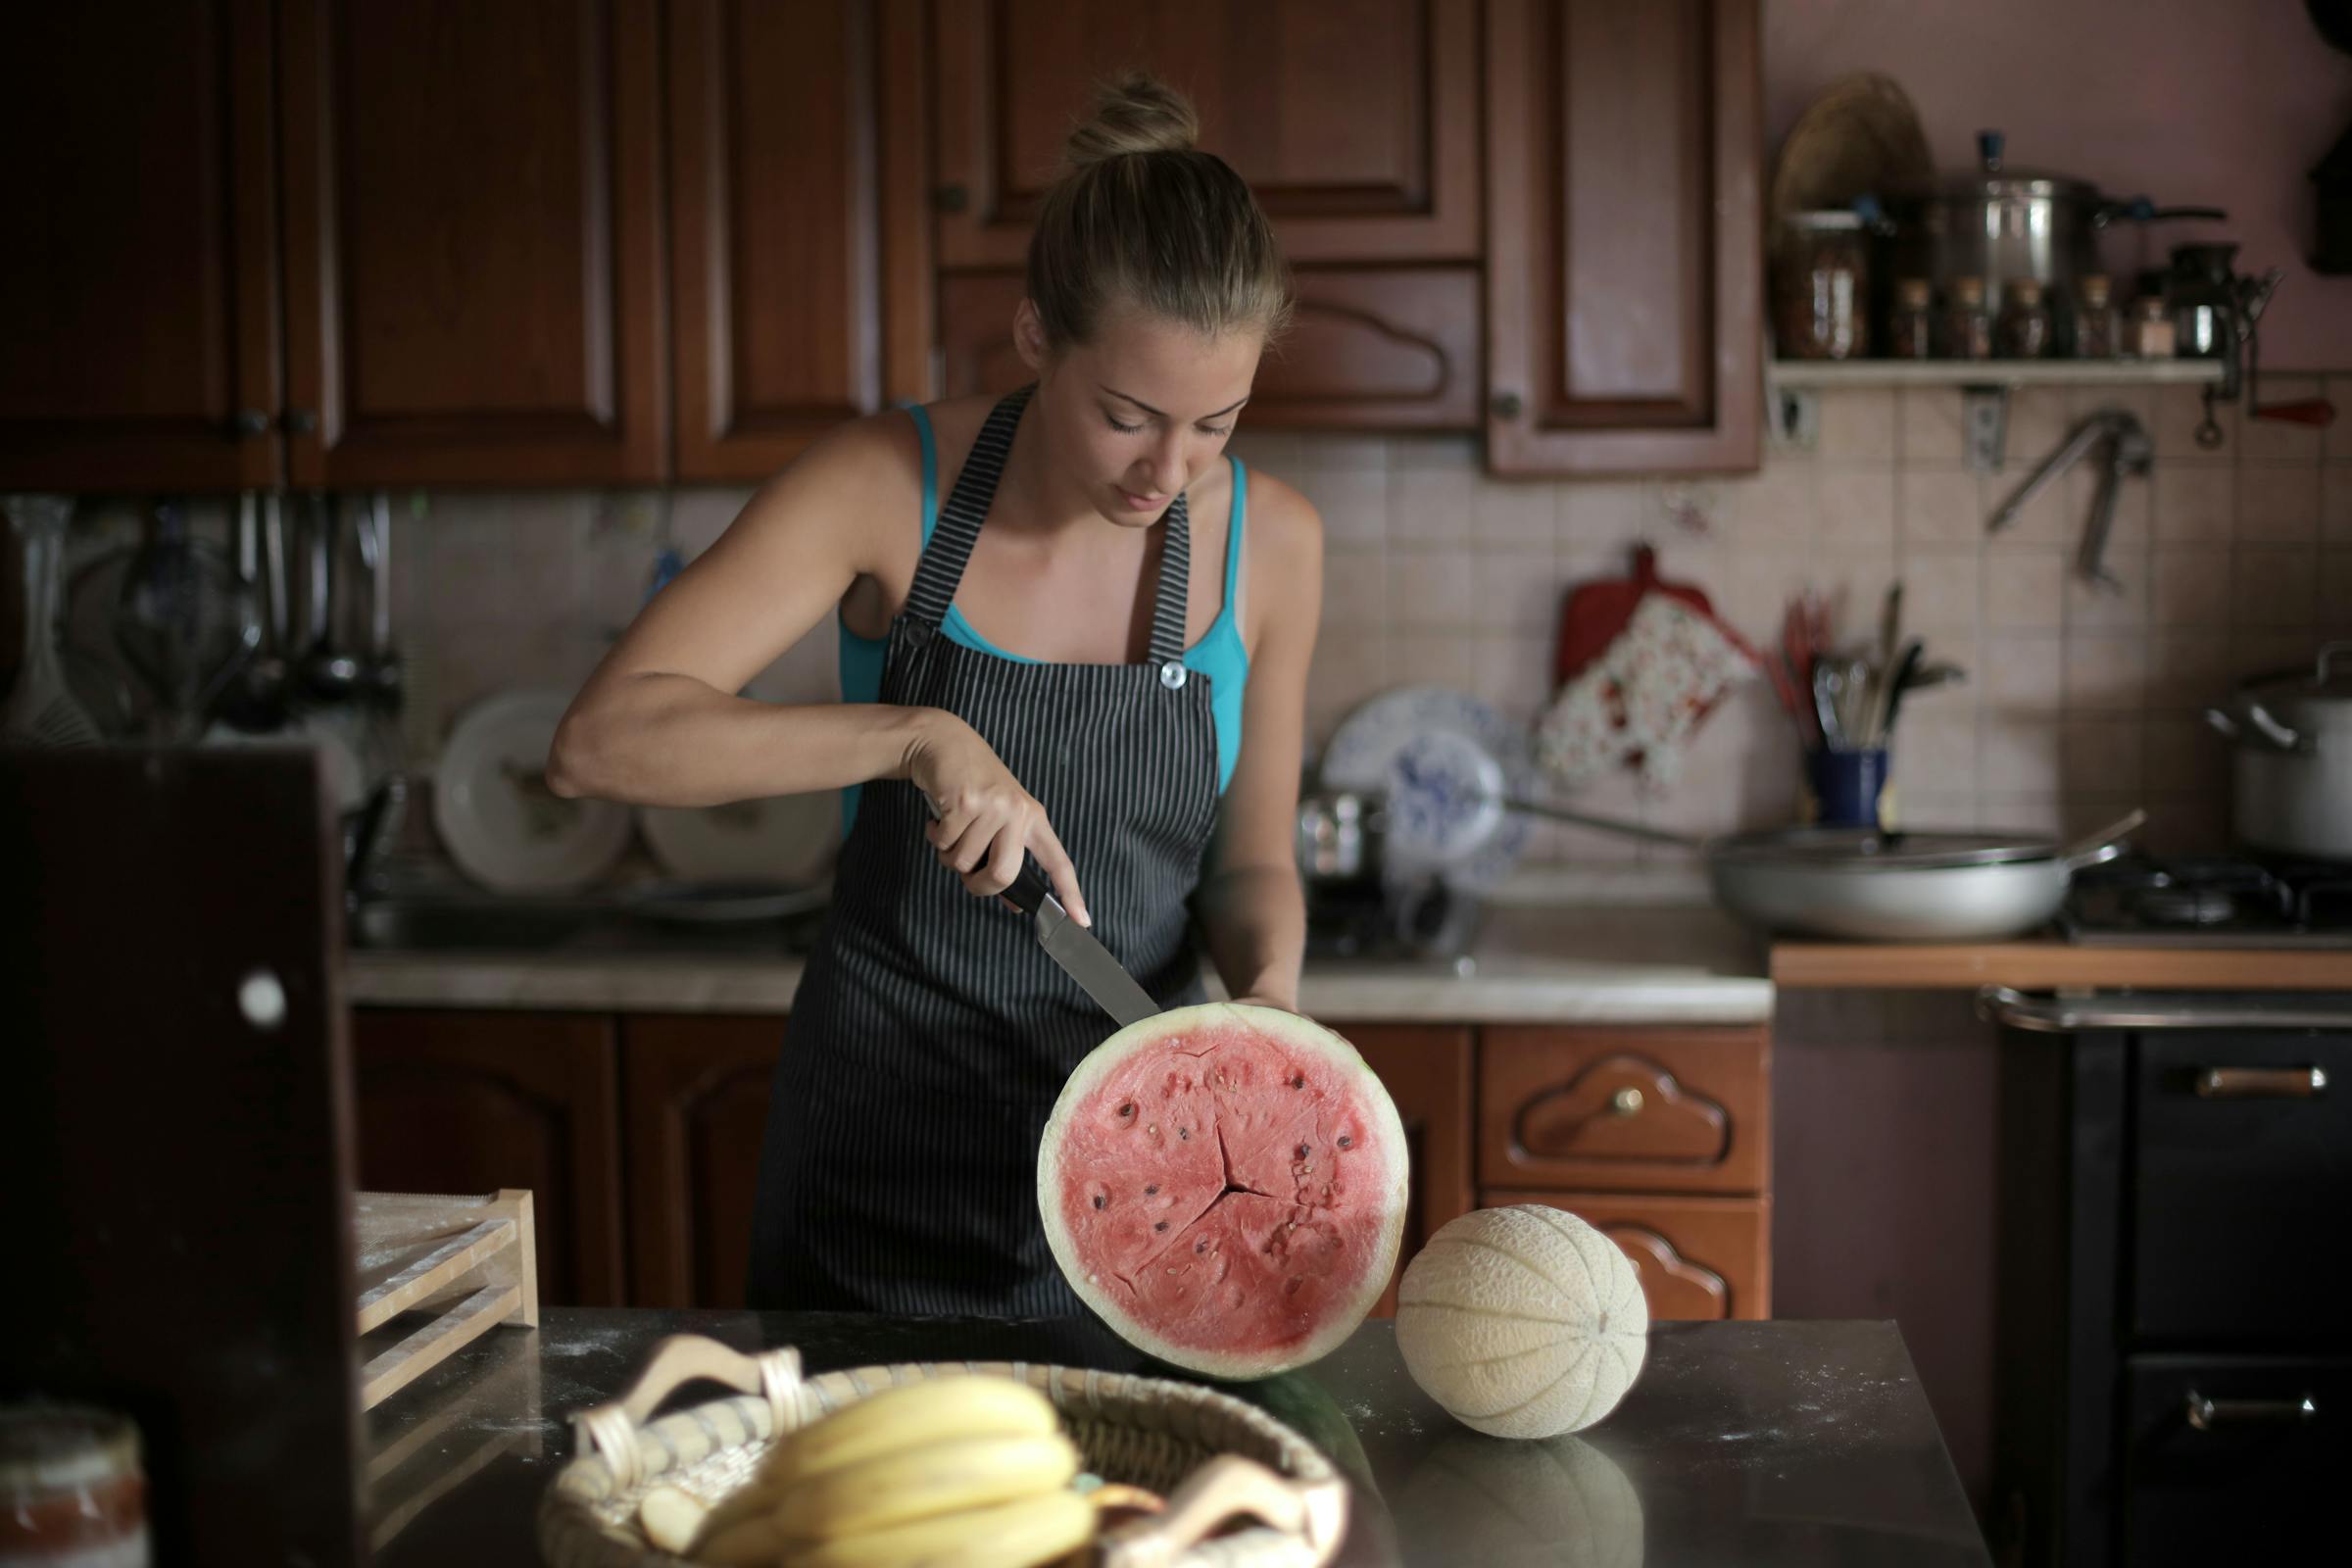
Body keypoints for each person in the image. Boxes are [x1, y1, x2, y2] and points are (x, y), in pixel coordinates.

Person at [547, 74, 1324, 1314]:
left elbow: (1248, 865)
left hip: (1153, 1178)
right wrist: (914, 736)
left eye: (1214, 425)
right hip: (877, 1159)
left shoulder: (1271, 543)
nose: (1165, 472)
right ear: (1033, 338)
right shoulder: (880, 482)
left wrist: (1273, 1014)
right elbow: (601, 743)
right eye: (1126, 416)